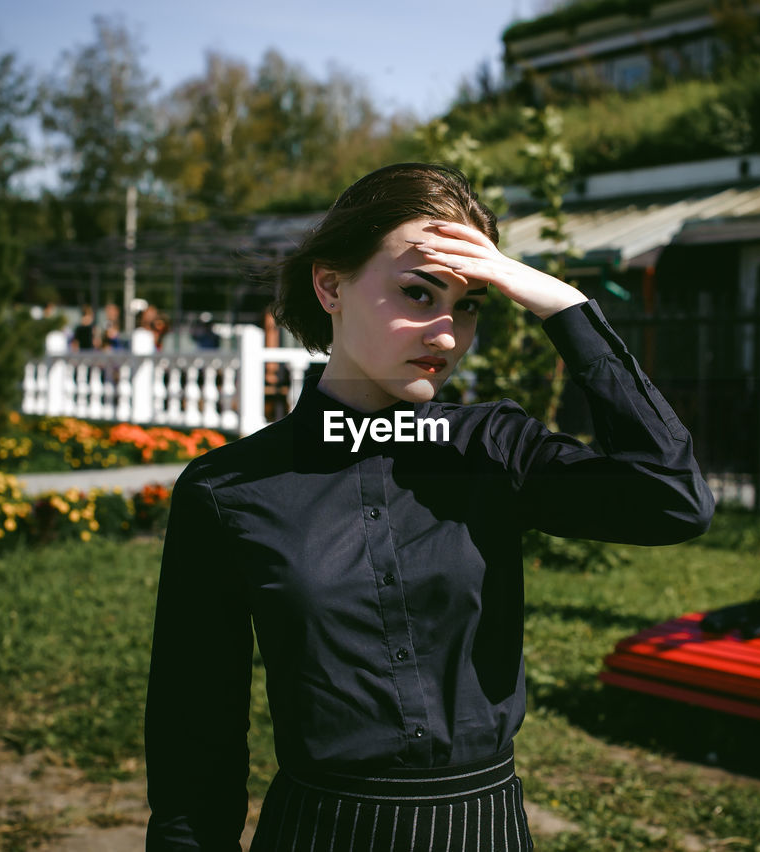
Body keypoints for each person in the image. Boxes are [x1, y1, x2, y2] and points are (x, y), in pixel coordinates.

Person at [144, 163, 714, 851]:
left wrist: (559, 303)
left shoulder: (493, 450)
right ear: (331, 285)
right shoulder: (229, 489)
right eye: (418, 293)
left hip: (482, 832)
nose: (447, 335)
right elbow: (193, 737)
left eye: (469, 303)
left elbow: (672, 498)